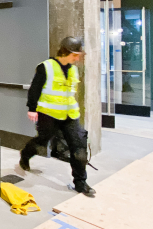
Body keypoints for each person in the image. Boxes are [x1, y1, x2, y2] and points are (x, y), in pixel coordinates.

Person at [19, 36, 96, 196]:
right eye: (76, 54)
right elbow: (35, 89)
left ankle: (80, 183)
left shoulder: (73, 70)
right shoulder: (45, 67)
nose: (78, 58)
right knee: (41, 142)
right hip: (49, 114)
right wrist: (32, 108)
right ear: (67, 52)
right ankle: (25, 154)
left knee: (79, 150)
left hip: (70, 115)